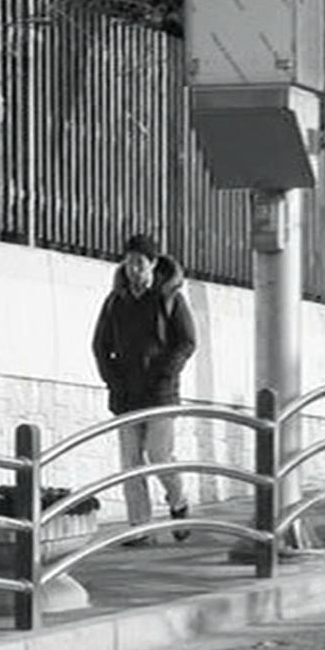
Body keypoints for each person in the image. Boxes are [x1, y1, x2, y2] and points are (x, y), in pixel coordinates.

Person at [92, 233, 197, 543]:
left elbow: (187, 341)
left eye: (140, 263)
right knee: (131, 463)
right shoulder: (115, 301)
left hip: (160, 392)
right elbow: (100, 344)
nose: (134, 270)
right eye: (129, 263)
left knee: (159, 454)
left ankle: (178, 502)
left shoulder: (170, 297)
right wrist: (112, 378)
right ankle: (139, 527)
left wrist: (165, 372)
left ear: (153, 264)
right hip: (126, 393)